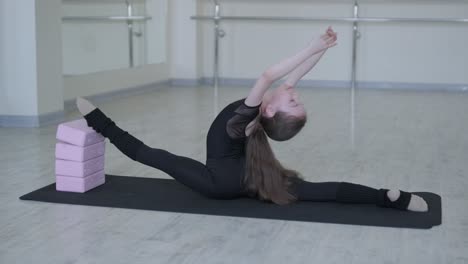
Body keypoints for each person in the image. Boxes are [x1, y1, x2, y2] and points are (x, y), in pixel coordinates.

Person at [76, 26, 428, 212]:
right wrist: (319, 46)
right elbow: (291, 76)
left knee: (153, 156)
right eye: (296, 97)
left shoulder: (246, 116)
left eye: (293, 100)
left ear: (273, 109)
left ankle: (97, 119)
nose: (293, 92)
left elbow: (268, 74)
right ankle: (389, 198)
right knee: (318, 192)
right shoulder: (259, 117)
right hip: (250, 177)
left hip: (217, 184)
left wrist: (311, 47)